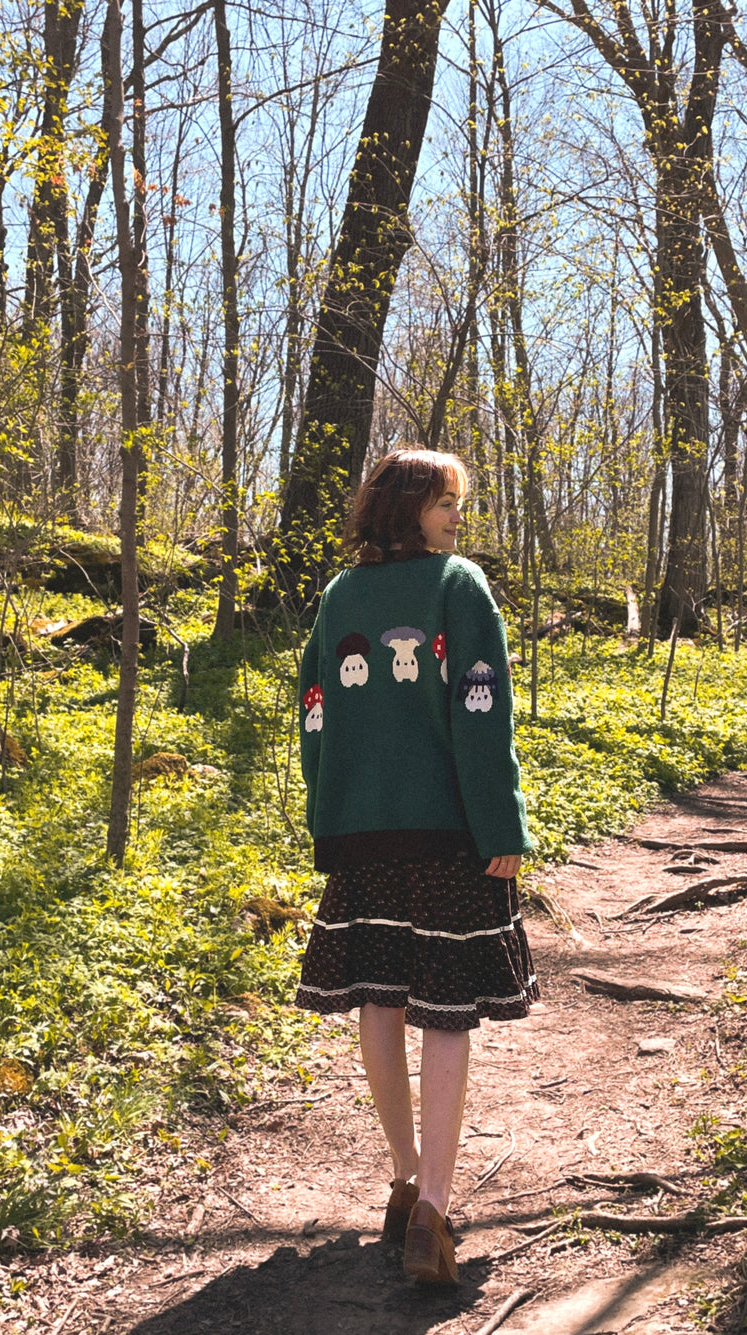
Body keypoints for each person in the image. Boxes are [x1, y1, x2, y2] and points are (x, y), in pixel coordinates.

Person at [295, 445, 537, 1286]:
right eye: (444, 503)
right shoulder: (457, 585)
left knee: (379, 997)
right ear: (408, 509)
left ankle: (402, 1178)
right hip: (446, 835)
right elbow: (482, 711)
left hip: (361, 833)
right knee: (444, 1008)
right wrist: (501, 823)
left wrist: (327, 814)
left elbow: (314, 714)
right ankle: (432, 1204)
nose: (456, 518)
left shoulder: (339, 595)